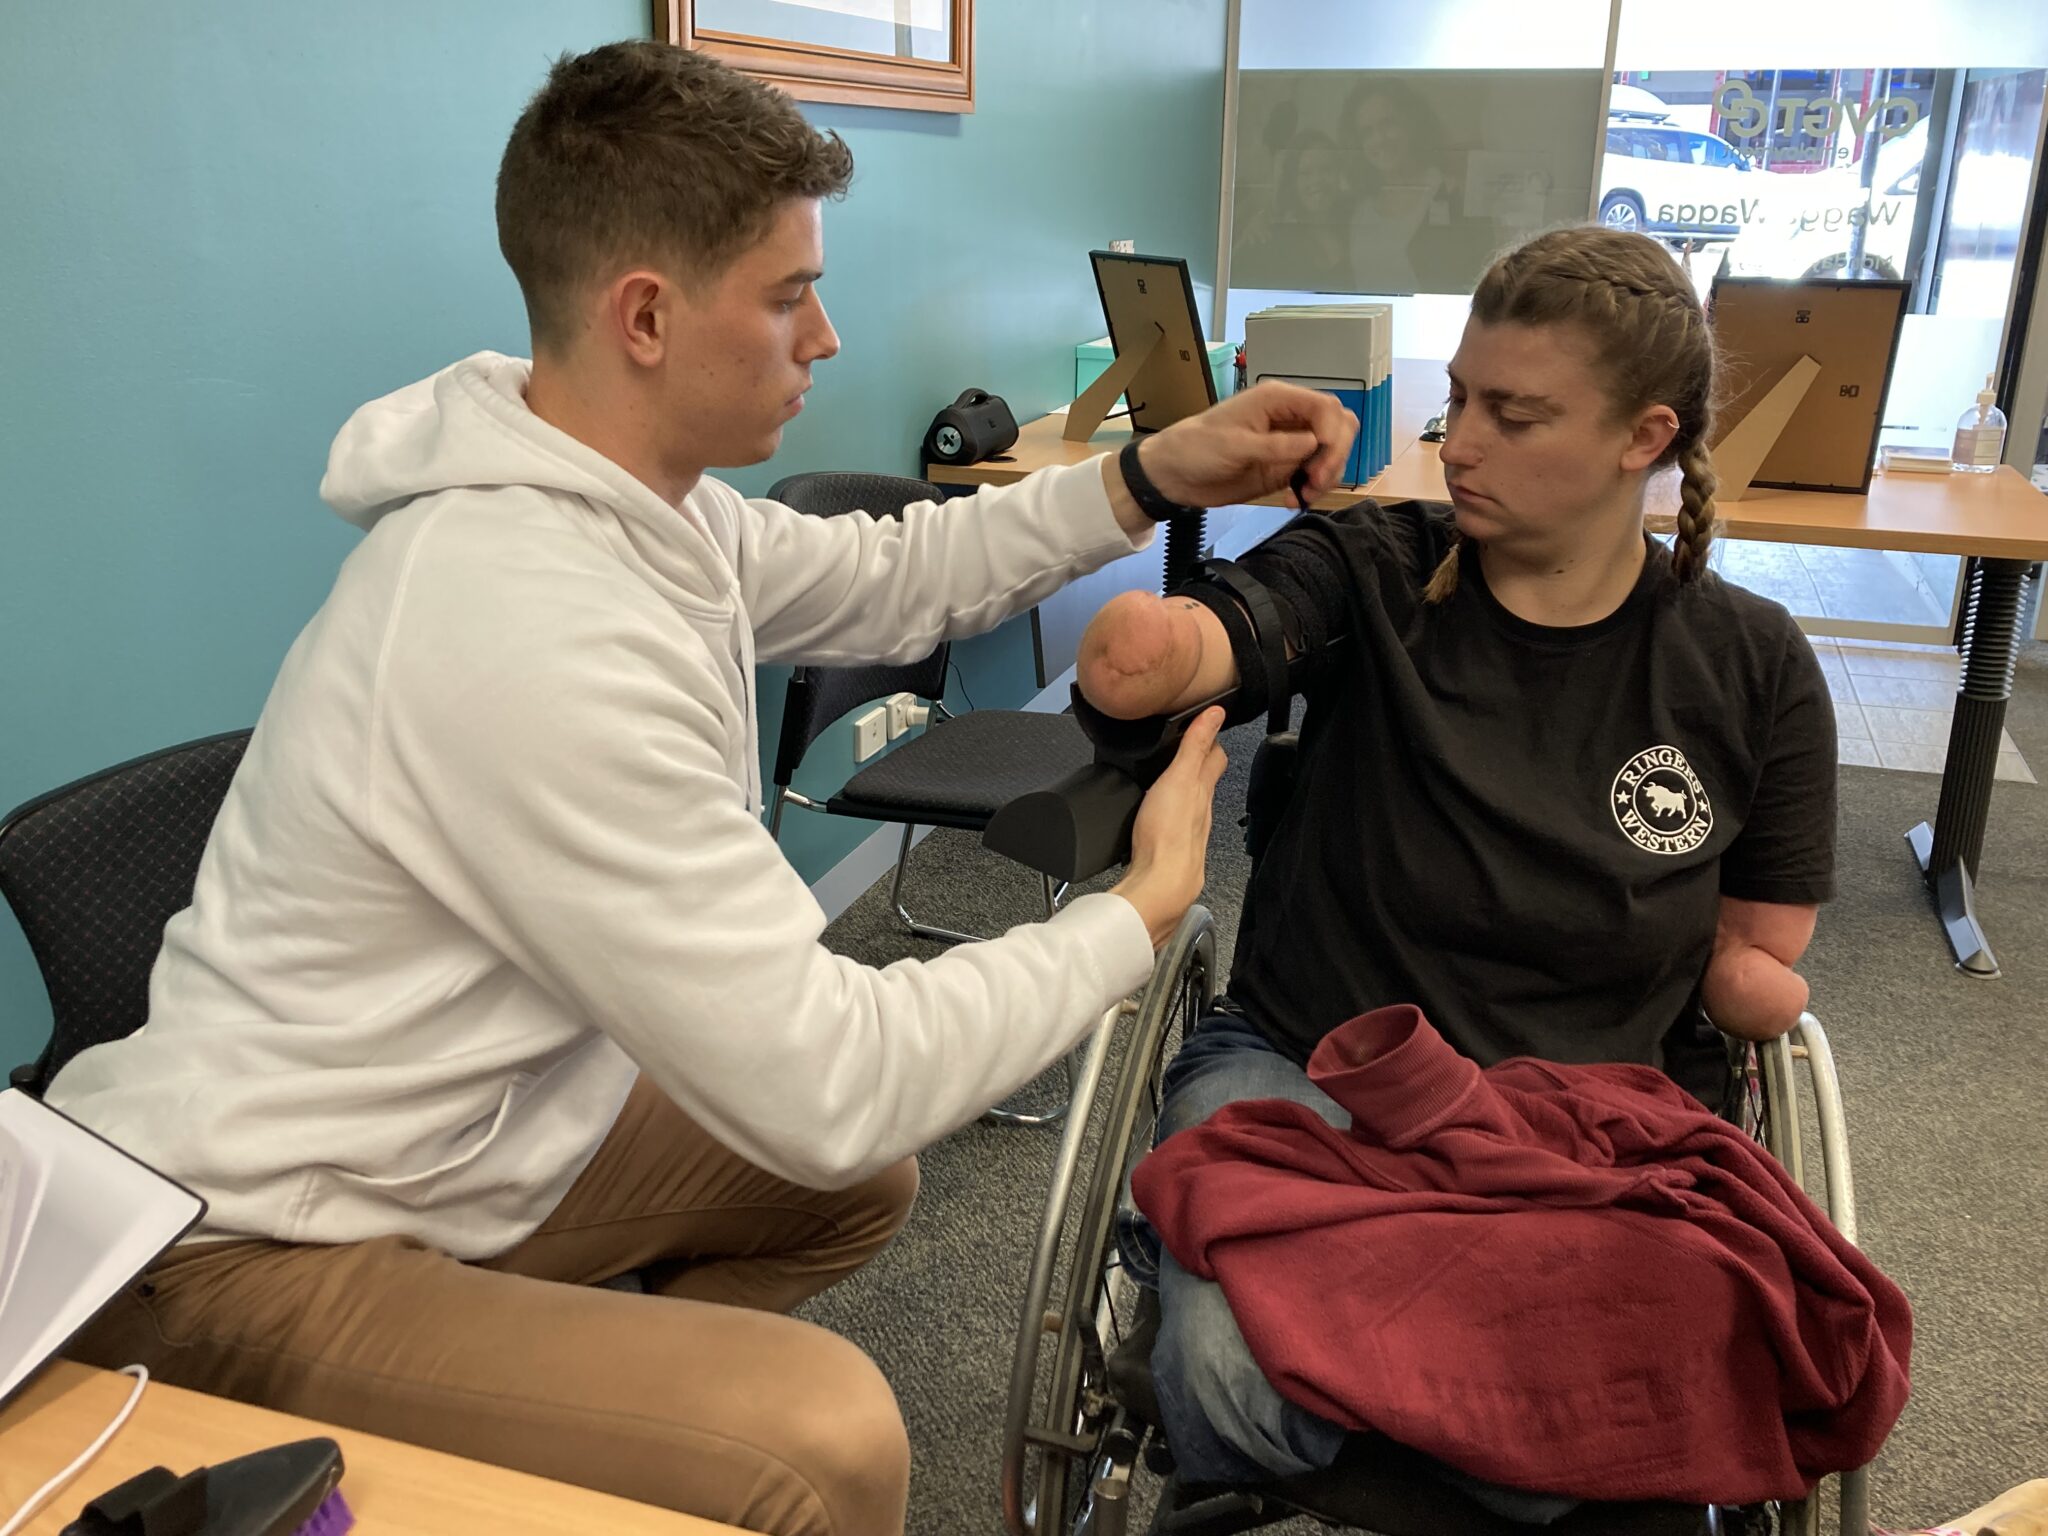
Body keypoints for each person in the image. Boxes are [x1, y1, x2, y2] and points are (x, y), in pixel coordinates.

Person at [44, 40, 1355, 1536]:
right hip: (247, 1245)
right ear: (648, 317)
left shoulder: (648, 511)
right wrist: (1136, 914)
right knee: (824, 1442)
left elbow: (898, 574)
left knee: (849, 1188)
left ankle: (543, 1453)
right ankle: (485, 1442)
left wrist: (1149, 478)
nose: (830, 338)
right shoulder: (522, 621)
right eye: (791, 296)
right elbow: (833, 1073)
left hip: (450, 1149)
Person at [1077, 225, 1836, 1514]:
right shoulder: (1374, 568)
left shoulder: (1750, 663)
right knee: (1230, 1370)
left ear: (1643, 438)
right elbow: (1211, 639)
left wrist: (1749, 981)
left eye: (1514, 415)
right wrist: (1155, 648)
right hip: (1313, 1071)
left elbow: (1764, 948)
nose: (1459, 443)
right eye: (1458, 403)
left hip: (1584, 1113)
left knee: (1645, 1387)